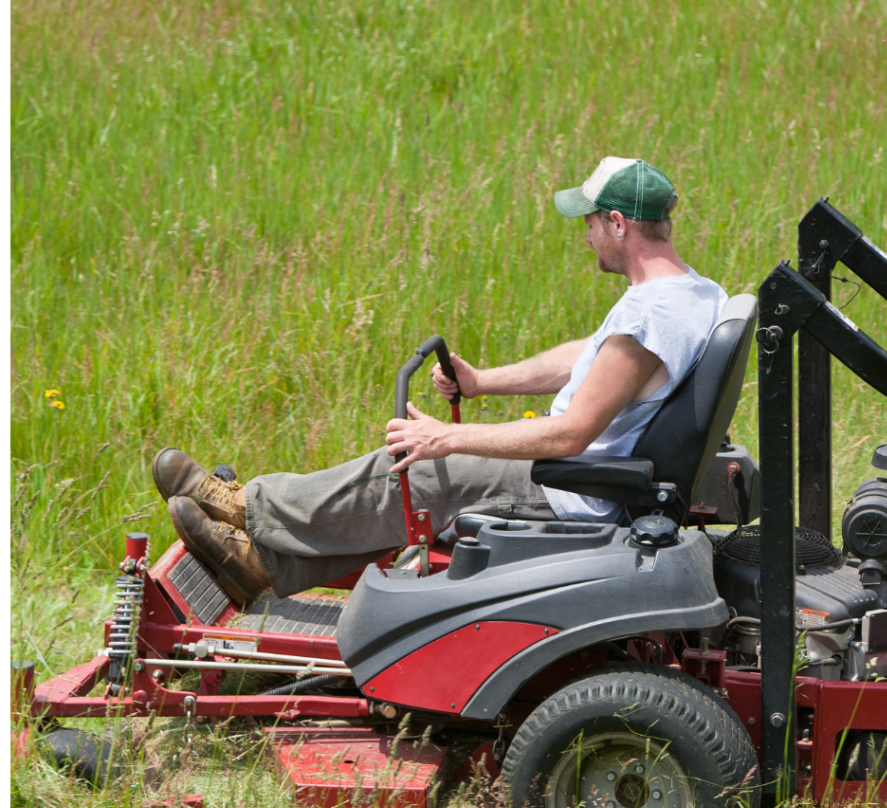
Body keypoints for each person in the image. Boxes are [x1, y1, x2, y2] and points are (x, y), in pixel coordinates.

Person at [153, 157, 728, 604]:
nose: (585, 237)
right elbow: (593, 359)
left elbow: (570, 435)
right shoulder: (691, 292)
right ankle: (260, 563)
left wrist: (446, 439)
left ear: (619, 223)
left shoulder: (652, 315)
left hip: (572, 489)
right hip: (590, 477)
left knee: (418, 467)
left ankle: (247, 507)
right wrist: (482, 383)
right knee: (415, 481)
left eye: (589, 223)